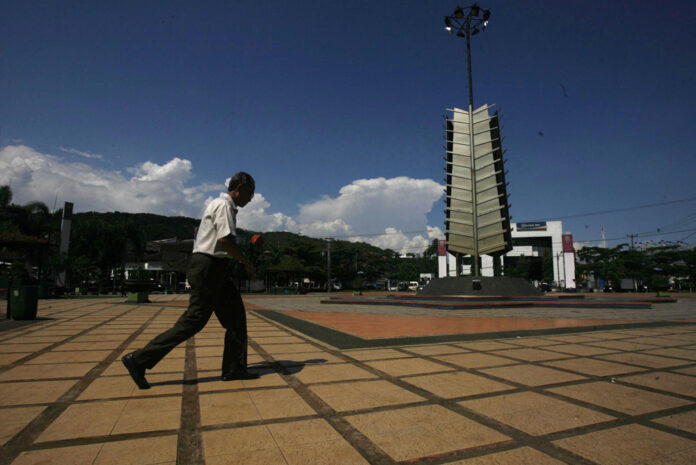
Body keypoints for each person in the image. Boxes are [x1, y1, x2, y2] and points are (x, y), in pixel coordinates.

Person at [122, 172, 259, 389]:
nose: (251, 199)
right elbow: (225, 240)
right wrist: (246, 263)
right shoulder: (224, 205)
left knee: (236, 321)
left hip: (217, 269)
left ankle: (234, 368)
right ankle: (139, 360)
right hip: (208, 267)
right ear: (240, 188)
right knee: (194, 320)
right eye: (250, 193)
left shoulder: (223, 205)